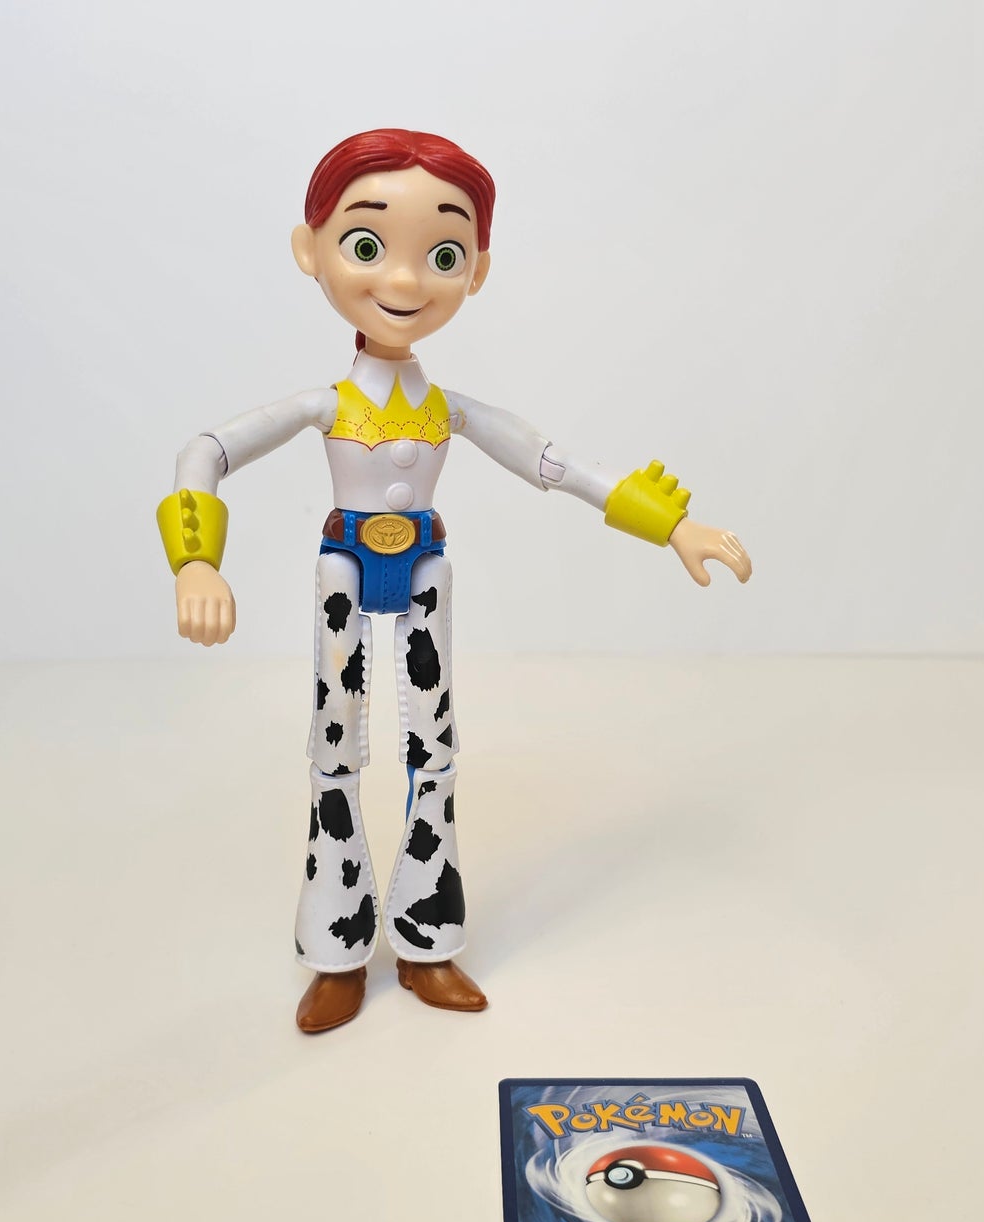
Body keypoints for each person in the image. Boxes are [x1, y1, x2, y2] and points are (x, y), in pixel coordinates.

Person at [155, 129, 751, 1033]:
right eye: (365, 245)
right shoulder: (326, 404)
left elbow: (553, 463)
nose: (403, 280)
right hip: (344, 568)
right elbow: (207, 449)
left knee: (433, 749)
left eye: (441, 255)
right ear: (309, 249)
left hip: (425, 570)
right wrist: (196, 557)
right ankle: (335, 948)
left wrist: (672, 525)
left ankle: (427, 936)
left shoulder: (449, 410)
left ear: (475, 271)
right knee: (333, 749)